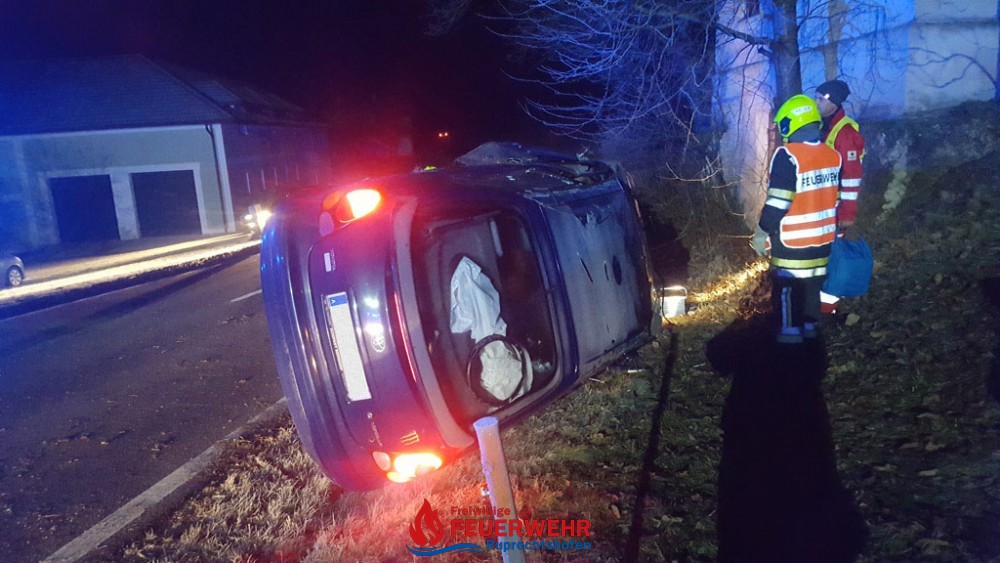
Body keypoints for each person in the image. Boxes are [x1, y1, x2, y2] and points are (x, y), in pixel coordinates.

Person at [752, 95, 842, 344]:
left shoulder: (788, 156)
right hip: (823, 242)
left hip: (792, 245)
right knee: (813, 288)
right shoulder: (832, 155)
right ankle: (811, 336)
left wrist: (761, 231)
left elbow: (778, 203)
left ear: (789, 124)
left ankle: (790, 344)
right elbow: (835, 199)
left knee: (788, 292)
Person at [814, 79, 866, 314]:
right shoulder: (823, 126)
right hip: (821, 206)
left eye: (820, 99)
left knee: (832, 258)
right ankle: (820, 305)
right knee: (823, 255)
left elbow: (852, 177)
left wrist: (847, 214)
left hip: (835, 209)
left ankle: (829, 309)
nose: (816, 103)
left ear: (833, 104)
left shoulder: (845, 133)